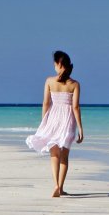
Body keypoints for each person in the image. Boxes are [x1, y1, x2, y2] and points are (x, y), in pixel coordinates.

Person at [25, 50, 83, 196]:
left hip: (53, 118)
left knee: (54, 154)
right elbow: (75, 107)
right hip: (68, 120)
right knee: (64, 156)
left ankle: (56, 185)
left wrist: (44, 122)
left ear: (59, 64)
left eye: (55, 63)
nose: (54, 66)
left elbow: (46, 103)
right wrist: (80, 129)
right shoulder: (75, 84)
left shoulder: (49, 81)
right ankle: (61, 188)